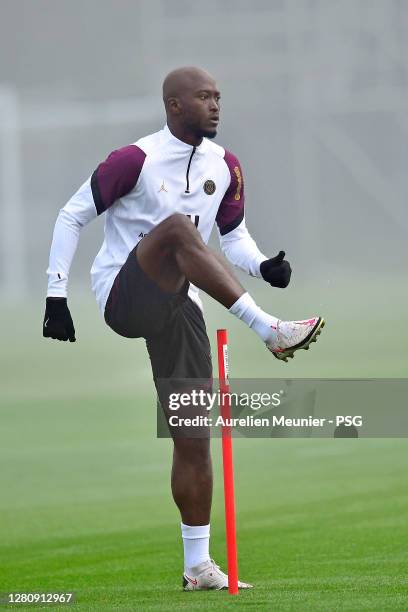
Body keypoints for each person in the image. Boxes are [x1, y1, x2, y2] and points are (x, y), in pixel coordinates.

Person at [43, 66, 324, 591]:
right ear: (174, 105)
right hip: (124, 297)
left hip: (179, 305)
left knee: (194, 435)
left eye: (218, 96)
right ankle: (268, 330)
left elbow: (232, 240)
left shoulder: (227, 166)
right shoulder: (135, 159)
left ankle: (198, 565)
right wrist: (56, 296)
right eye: (203, 97)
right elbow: (70, 215)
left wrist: (263, 266)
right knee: (175, 230)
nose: (216, 105)